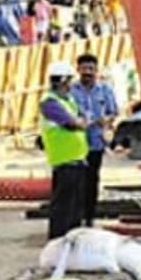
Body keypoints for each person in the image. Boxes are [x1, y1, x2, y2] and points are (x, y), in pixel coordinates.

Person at [38, 61, 91, 240]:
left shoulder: (68, 100)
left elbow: (82, 118)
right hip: (64, 161)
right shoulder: (50, 102)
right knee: (63, 207)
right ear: (62, 81)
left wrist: (81, 122)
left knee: (75, 207)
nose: (71, 85)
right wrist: (80, 123)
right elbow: (71, 123)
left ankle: (72, 240)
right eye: (69, 81)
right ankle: (59, 241)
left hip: (77, 159)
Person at [70, 53, 119, 229]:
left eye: (91, 69)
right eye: (84, 69)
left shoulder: (105, 90)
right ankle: (76, 216)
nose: (87, 72)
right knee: (76, 181)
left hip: (96, 142)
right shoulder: (71, 91)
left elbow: (113, 112)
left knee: (92, 180)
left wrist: (104, 121)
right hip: (75, 143)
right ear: (78, 70)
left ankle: (89, 217)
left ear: (96, 70)